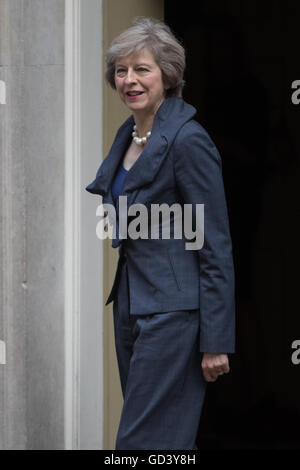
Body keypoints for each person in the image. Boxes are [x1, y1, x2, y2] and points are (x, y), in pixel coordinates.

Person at [86, 17, 235, 450]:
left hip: (173, 313)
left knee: (140, 443)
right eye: (121, 70)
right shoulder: (127, 136)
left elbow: (214, 243)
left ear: (167, 75)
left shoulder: (188, 140)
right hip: (132, 306)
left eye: (142, 69)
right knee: (161, 441)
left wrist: (216, 341)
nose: (129, 80)